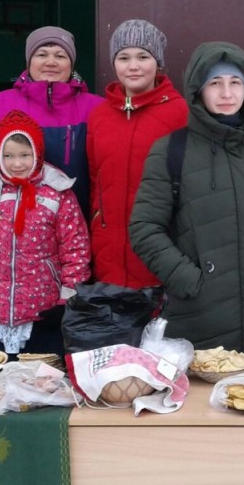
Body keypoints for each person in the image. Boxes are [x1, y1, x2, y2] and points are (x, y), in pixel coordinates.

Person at [129, 42, 244, 354]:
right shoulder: (171, 150)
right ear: (199, 90)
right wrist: (190, 281)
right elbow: (145, 228)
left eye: (235, 82)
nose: (226, 93)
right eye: (215, 83)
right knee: (203, 386)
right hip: (199, 320)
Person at [0, 110, 92, 357]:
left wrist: (67, 301)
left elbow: (75, 250)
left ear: (38, 153)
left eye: (25, 155)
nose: (17, 164)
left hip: (43, 313)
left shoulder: (58, 194)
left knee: (43, 375)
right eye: (8, 155)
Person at [0, 26, 104, 236]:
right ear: (29, 61)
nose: (51, 62)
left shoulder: (96, 108)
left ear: (71, 64)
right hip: (11, 238)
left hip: (77, 234)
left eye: (60, 55)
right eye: (42, 54)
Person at [87, 19, 188, 288]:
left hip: (161, 250)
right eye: (124, 58)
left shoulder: (180, 112)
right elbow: (96, 180)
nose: (133, 66)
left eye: (143, 56)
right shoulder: (98, 116)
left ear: (158, 62)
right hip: (108, 252)